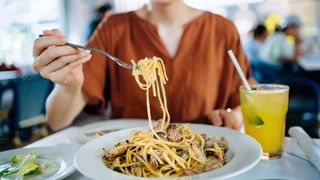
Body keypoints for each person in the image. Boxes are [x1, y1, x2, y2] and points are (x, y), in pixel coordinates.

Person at [32, 0, 254, 131]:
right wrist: (69, 85)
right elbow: (56, 120)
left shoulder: (223, 30)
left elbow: (247, 101)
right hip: (130, 163)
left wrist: (234, 118)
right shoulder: (113, 28)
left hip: (205, 160)